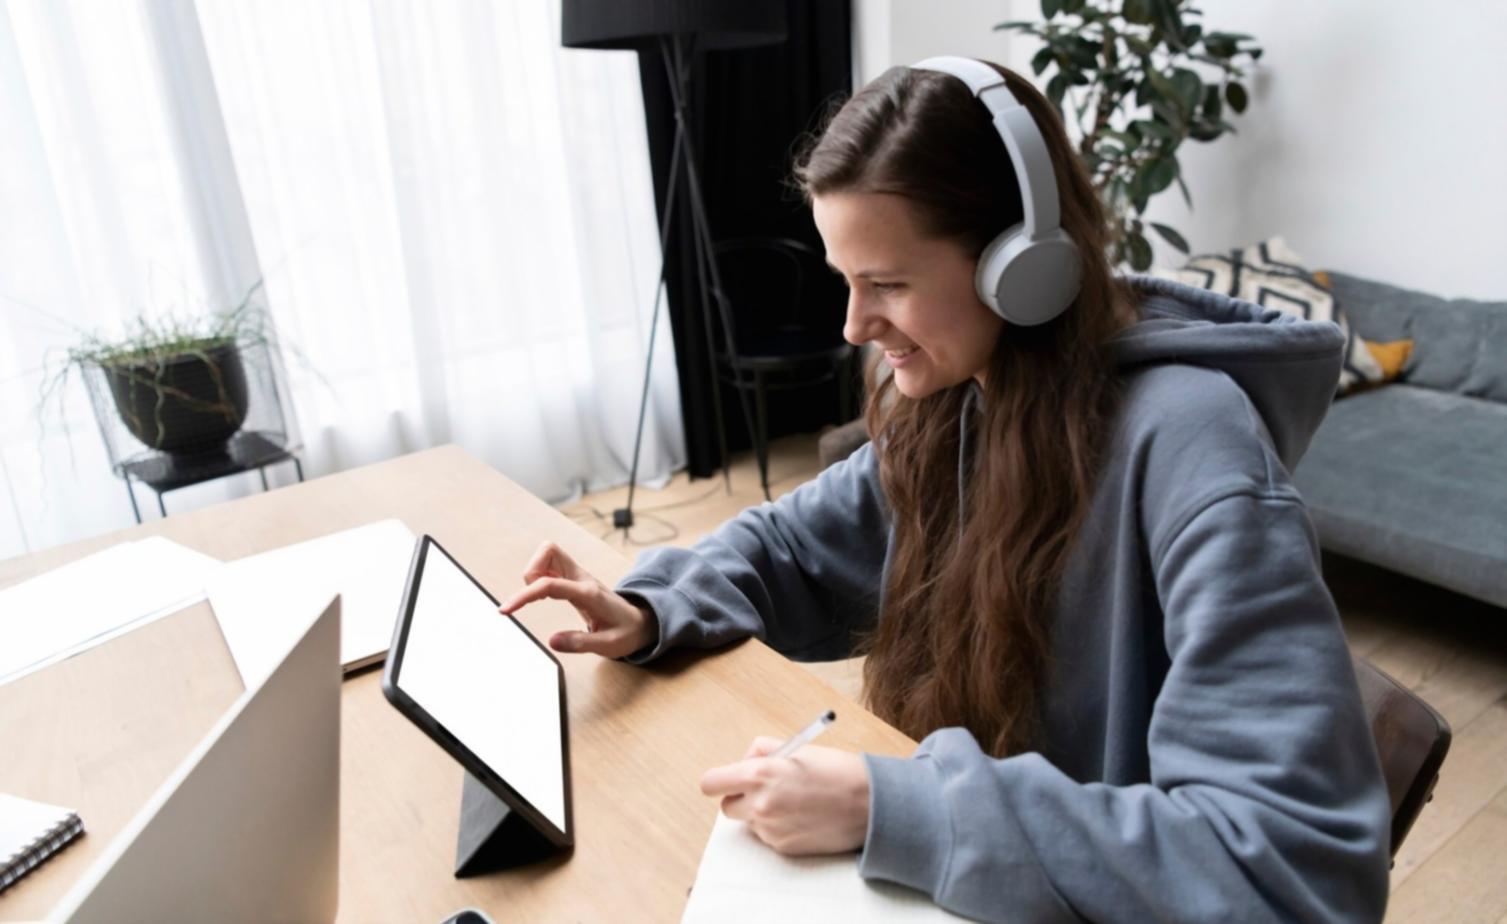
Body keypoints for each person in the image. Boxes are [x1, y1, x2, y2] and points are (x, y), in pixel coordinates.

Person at [499, 57, 1390, 923]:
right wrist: (649, 607)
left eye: (886, 284)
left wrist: (894, 808)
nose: (854, 324)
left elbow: (1287, 865)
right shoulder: (964, 399)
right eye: (846, 282)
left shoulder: (1197, 452)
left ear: (1024, 267)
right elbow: (787, 546)